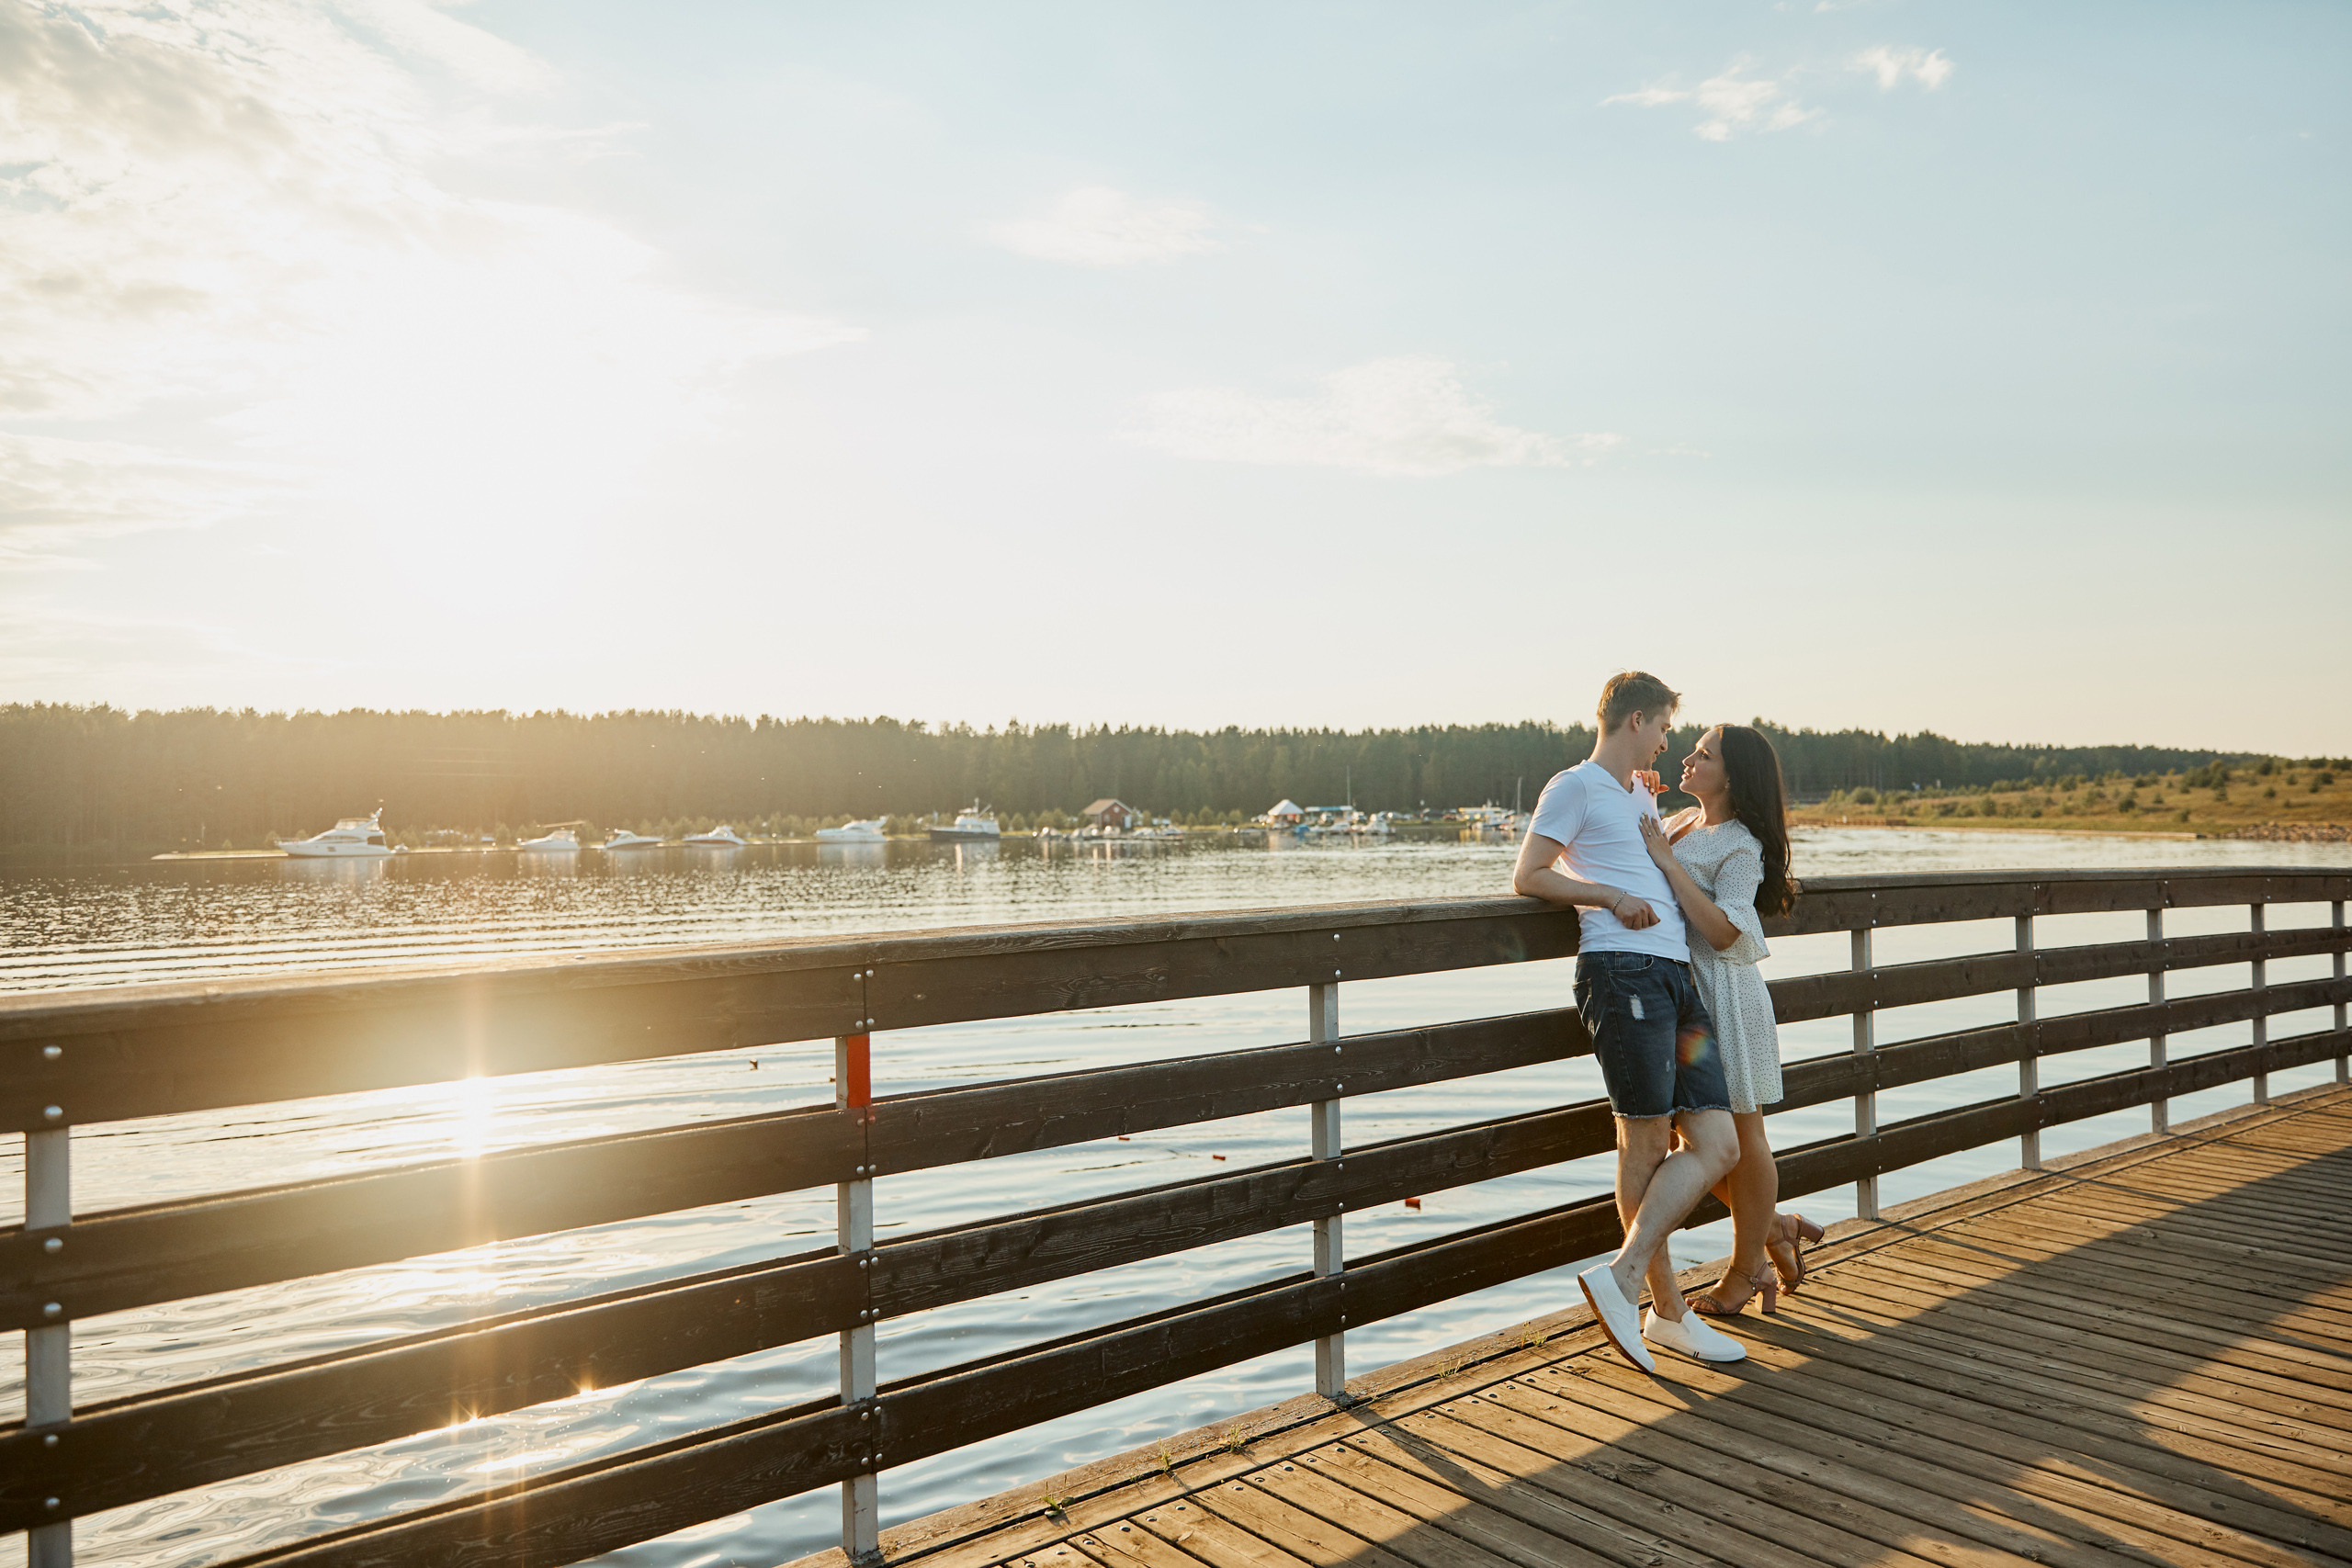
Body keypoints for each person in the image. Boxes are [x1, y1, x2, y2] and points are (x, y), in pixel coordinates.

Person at [1511, 671, 1746, 1371]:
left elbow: (1653, 838)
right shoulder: (1573, 785)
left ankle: (1623, 1279)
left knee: (1719, 1139)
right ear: (1637, 719)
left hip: (1675, 976)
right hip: (1622, 972)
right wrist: (1608, 895)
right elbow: (1529, 874)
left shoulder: (1639, 788)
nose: (1670, 740)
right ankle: (1667, 1311)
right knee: (1643, 1142)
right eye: (1665, 726)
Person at [1637, 724, 1823, 1316]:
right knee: (1690, 1139)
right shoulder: (1678, 823)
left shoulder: (1742, 843)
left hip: (1724, 999)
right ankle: (1775, 1228)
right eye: (1689, 748)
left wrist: (1669, 865)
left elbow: (1725, 931)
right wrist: (1635, 795)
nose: (1687, 758)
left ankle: (1747, 1271)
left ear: (1733, 774)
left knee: (1742, 1137)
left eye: (1703, 754)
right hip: (1677, 998)